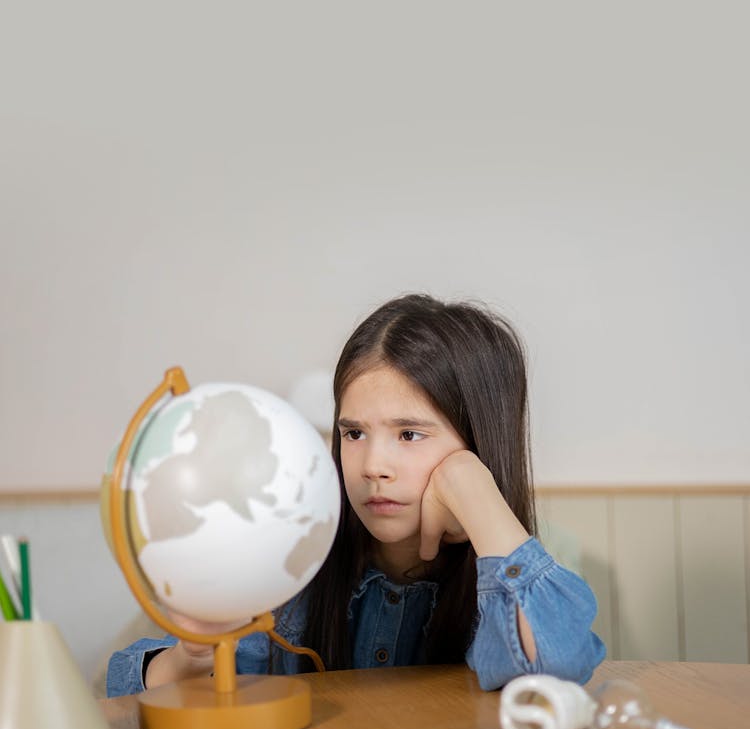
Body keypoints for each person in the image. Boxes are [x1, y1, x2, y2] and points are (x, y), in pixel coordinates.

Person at [106, 293, 605, 697]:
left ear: (478, 446)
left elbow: (555, 668)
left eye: (409, 435)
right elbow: (124, 686)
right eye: (354, 433)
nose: (372, 467)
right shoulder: (293, 566)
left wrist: (474, 493)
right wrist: (191, 657)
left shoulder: (515, 569)